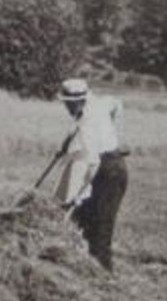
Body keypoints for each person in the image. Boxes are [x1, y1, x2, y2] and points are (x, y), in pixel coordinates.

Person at [54, 77, 128, 271]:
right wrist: (67, 143)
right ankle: (84, 265)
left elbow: (91, 164)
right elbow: (116, 104)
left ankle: (102, 274)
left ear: (79, 101)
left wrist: (79, 195)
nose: (66, 108)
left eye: (68, 104)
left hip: (109, 171)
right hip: (105, 164)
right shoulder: (98, 104)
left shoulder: (88, 122)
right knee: (86, 221)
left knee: (101, 227)